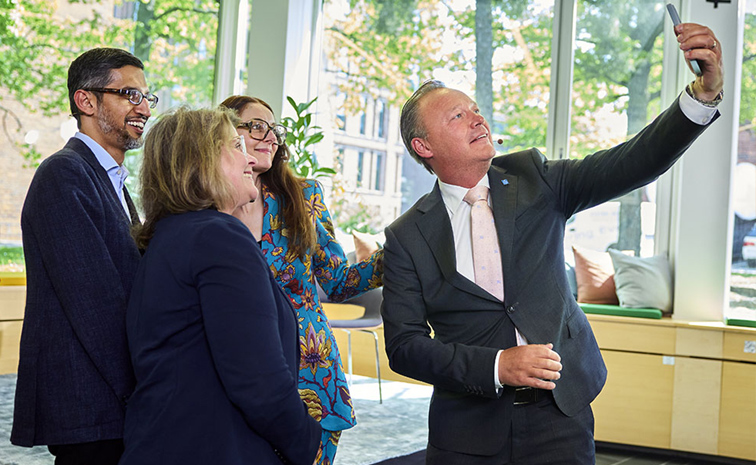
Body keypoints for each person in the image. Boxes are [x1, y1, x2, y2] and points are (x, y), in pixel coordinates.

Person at [381, 22, 724, 465]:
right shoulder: (406, 236)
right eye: (458, 116)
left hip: (560, 417)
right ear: (423, 145)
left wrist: (701, 95)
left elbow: (633, 161)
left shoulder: (535, 178)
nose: (478, 118)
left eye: (476, 109)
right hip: (466, 431)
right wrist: (497, 366)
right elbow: (405, 346)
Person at [119, 107, 322, 465]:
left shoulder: (172, 235)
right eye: (236, 146)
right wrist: (307, 442)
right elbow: (259, 383)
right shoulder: (219, 236)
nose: (250, 159)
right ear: (201, 161)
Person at [220, 95, 384, 464]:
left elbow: (338, 282)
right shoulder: (205, 201)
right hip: (235, 375)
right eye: (256, 126)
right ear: (224, 132)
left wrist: (399, 254)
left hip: (311, 372)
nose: (270, 137)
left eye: (273, 129)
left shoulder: (303, 196)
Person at [11, 47, 154, 464]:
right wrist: (139, 392)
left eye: (147, 97)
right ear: (86, 101)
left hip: (110, 403)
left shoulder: (110, 179)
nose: (144, 108)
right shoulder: (64, 173)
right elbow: (95, 303)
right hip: (91, 402)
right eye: (129, 94)